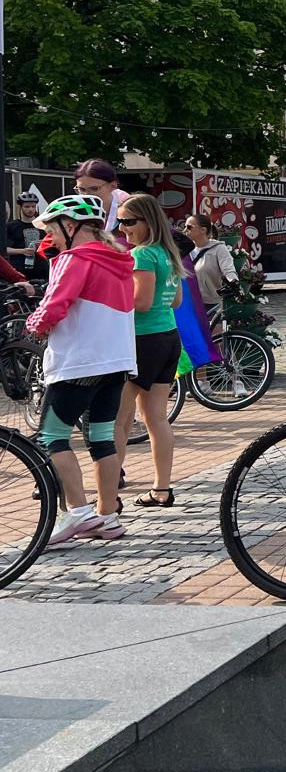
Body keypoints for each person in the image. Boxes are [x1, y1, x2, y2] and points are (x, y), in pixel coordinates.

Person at [28, 195, 137, 544]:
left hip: (80, 360)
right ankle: (107, 517)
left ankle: (78, 513)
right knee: (102, 438)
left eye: (53, 229)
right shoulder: (120, 258)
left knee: (50, 437)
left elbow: (54, 304)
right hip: (117, 360)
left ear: (71, 226)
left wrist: (32, 325)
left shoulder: (74, 259)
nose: (51, 237)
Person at [115, 193, 189, 507]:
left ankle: (110, 493)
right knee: (156, 419)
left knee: (118, 419)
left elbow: (141, 303)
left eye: (129, 222)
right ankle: (162, 488)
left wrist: (110, 300)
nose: (122, 229)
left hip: (141, 340)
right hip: (168, 336)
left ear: (147, 221)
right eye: (119, 222)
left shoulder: (143, 255)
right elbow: (176, 301)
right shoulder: (168, 252)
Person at [184, 214, 240, 320]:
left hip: (211, 303)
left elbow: (228, 269)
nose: (185, 230)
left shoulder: (218, 249)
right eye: (185, 226)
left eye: (189, 227)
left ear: (203, 230)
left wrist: (233, 281)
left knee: (214, 335)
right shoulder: (185, 250)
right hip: (189, 303)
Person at [7, 197, 48, 282]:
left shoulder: (43, 225)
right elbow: (5, 249)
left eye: (33, 206)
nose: (31, 209)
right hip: (19, 269)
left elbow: (55, 244)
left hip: (41, 270)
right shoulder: (11, 226)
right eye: (27, 207)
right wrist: (22, 251)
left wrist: (43, 244)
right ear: (20, 207)